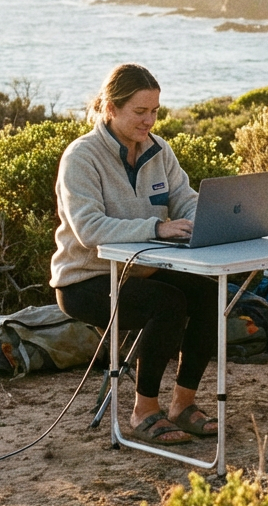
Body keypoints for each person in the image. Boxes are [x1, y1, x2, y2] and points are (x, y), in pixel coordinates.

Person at [51, 63, 218, 446]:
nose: (150, 121)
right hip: (84, 279)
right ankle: (144, 411)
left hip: (140, 270)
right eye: (140, 112)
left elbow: (185, 199)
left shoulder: (159, 151)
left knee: (209, 294)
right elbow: (89, 228)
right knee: (168, 303)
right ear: (110, 108)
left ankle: (183, 406)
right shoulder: (81, 157)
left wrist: (206, 220)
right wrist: (156, 228)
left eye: (155, 111)